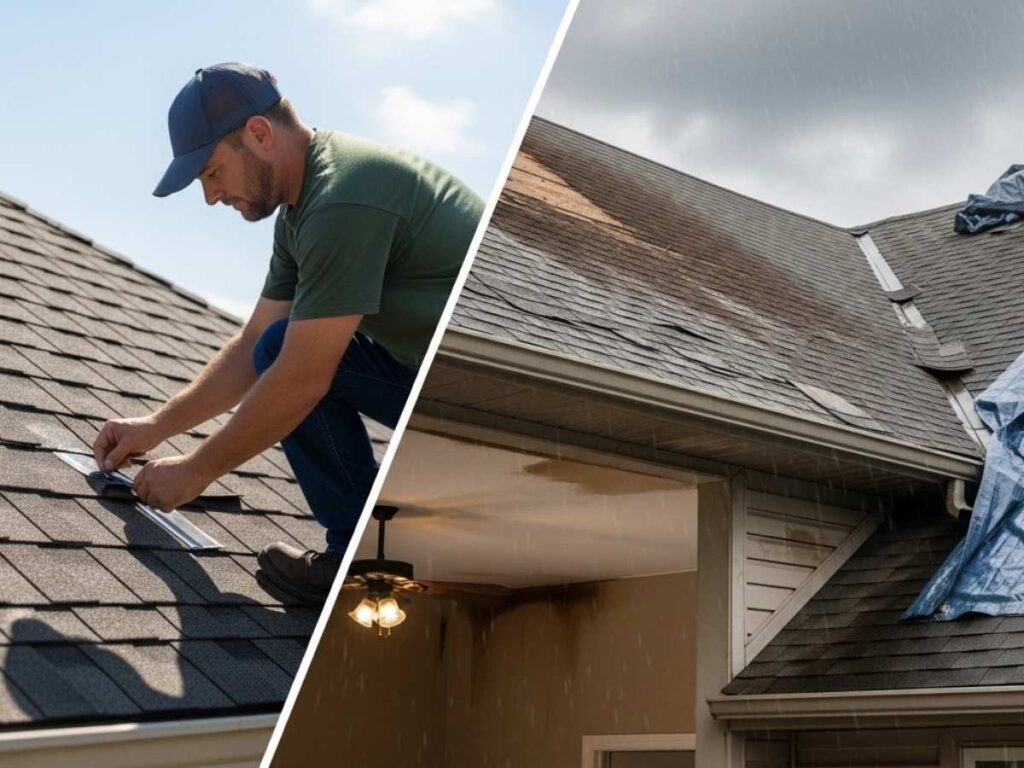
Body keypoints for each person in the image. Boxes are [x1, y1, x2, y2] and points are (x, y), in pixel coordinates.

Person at [92, 62, 483, 604]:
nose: (210, 197)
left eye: (211, 173)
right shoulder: (303, 212)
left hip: (486, 401)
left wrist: (196, 471)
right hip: (434, 380)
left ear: (258, 134)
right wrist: (157, 426)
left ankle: (358, 554)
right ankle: (358, 546)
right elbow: (257, 342)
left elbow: (301, 379)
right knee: (277, 346)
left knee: (292, 363)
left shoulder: (344, 198)